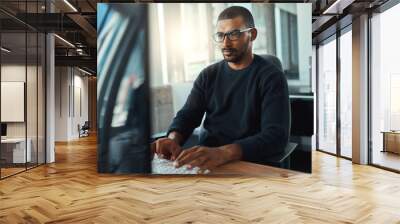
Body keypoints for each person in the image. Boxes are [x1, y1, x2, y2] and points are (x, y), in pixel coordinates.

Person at [151, 6, 290, 172]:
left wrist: (223, 153)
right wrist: (173, 139)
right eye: (220, 35)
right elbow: (188, 115)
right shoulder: (208, 75)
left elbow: (275, 136)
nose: (225, 43)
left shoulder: (271, 76)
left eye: (234, 34)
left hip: (248, 164)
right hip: (206, 161)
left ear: (252, 35)